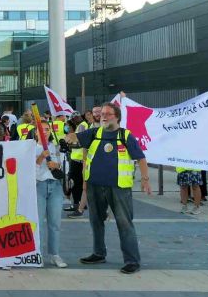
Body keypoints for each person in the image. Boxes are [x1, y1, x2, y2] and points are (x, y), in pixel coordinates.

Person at [65, 102, 149, 274]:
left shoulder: (125, 136)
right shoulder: (95, 133)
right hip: (95, 185)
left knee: (124, 223)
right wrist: (68, 137)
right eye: (102, 113)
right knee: (95, 221)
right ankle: (98, 253)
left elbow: (140, 158)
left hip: (118, 187)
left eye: (108, 114)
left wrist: (145, 178)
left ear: (116, 116)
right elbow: (75, 137)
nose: (103, 116)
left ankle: (132, 260)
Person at [34, 123, 67, 268]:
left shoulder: (56, 148)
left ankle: (54, 254)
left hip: (55, 186)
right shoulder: (31, 148)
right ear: (36, 132)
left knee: (55, 223)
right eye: (41, 129)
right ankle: (38, 254)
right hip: (38, 186)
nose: (44, 132)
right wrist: (41, 157)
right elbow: (29, 170)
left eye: (47, 129)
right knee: (39, 222)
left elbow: (66, 167)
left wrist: (57, 166)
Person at [66, 112, 89, 217]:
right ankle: (80, 203)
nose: (75, 119)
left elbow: (81, 143)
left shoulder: (82, 126)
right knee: (79, 183)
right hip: (78, 158)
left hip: (78, 159)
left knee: (75, 183)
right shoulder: (81, 125)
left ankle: (77, 204)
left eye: (75, 118)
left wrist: (70, 146)